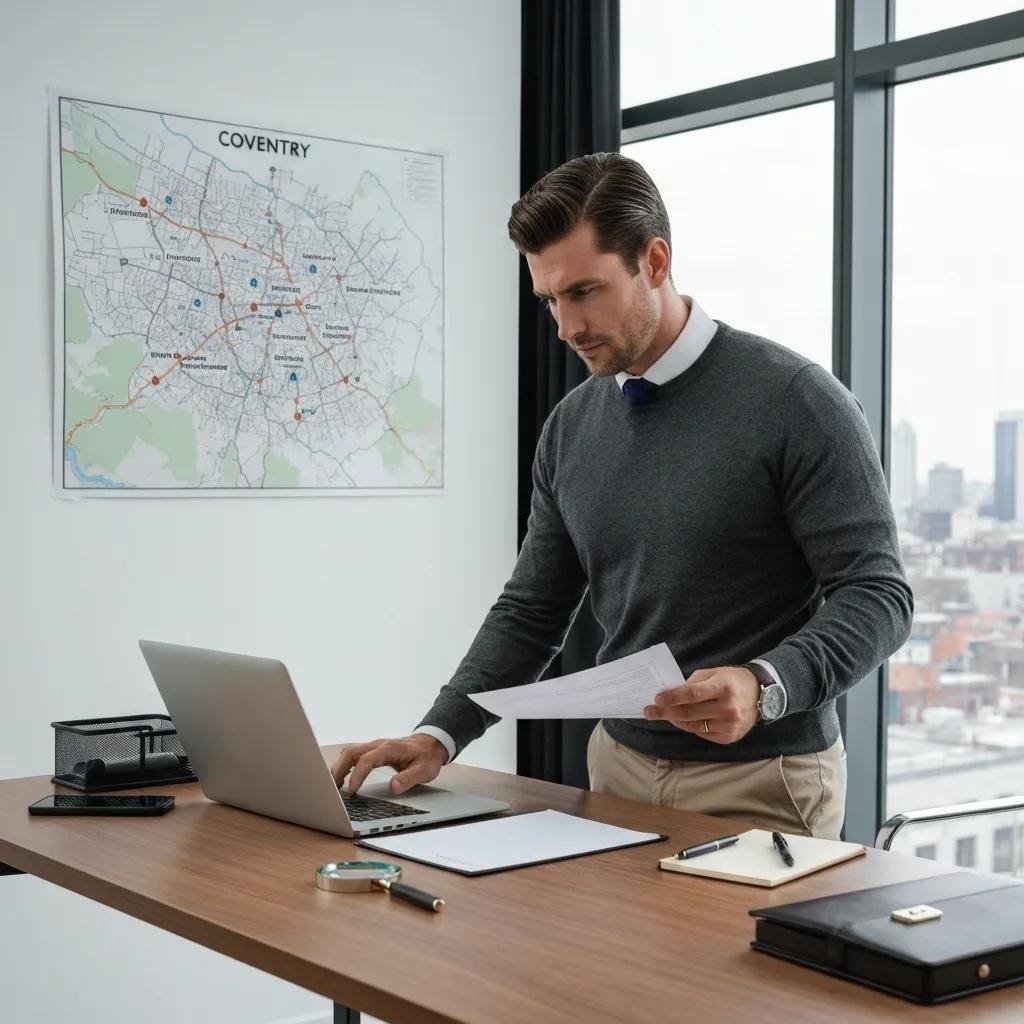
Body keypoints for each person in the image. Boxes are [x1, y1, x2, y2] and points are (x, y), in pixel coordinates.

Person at [331, 152, 913, 838]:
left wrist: (765, 684)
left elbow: (879, 595)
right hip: (618, 768)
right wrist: (440, 733)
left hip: (762, 777)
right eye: (550, 299)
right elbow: (532, 609)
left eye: (584, 291)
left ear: (655, 262)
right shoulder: (572, 426)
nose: (566, 327)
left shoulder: (796, 402)